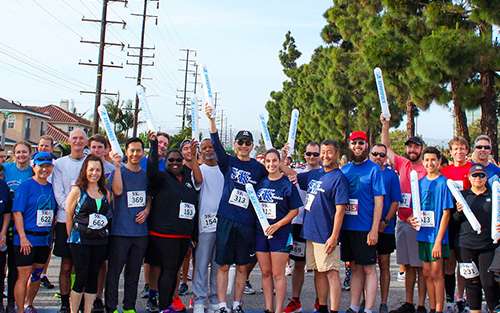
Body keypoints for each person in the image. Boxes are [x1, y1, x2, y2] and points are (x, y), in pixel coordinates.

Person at [204, 105, 267, 313]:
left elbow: (275, 175)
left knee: (242, 267)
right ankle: (222, 305)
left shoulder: (259, 169)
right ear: (235, 144)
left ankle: (237, 303)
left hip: (246, 223)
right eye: (240, 142)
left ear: (252, 146)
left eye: (248, 143)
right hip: (226, 220)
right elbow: (215, 142)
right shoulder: (228, 162)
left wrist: (283, 157)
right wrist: (211, 119)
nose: (243, 145)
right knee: (222, 265)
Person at [146, 132, 200, 312]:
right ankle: (163, 306)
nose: (175, 163)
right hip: (164, 234)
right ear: (166, 162)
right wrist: (153, 146)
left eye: (178, 159)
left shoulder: (188, 177)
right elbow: (152, 169)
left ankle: (169, 302)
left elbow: (193, 206)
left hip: (183, 235)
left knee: (174, 270)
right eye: (171, 160)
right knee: (168, 270)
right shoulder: (161, 178)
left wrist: (194, 235)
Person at [381, 115, 427, 313]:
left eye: (416, 147)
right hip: (403, 222)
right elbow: (386, 148)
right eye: (409, 147)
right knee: (407, 265)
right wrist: (385, 125)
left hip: (421, 224)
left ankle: (421, 305)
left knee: (421, 268)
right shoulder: (402, 164)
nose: (412, 150)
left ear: (421, 149)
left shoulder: (428, 166)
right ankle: (409, 303)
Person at [298, 140, 348, 313]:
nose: (325, 155)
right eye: (323, 152)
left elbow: (340, 210)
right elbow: (292, 175)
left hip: (326, 235)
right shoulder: (315, 174)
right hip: (311, 233)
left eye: (329, 152)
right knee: (319, 271)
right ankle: (322, 306)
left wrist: (334, 236)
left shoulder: (339, 178)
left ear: (336, 154)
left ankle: (333, 310)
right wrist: (282, 159)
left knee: (331, 272)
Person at [341, 131, 385, 313]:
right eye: (354, 143)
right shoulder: (345, 170)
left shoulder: (374, 169)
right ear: (350, 146)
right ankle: (353, 305)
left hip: (365, 228)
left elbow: (379, 202)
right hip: (348, 228)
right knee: (355, 268)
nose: (357, 146)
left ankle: (368, 308)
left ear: (366, 145)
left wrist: (374, 229)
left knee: (368, 268)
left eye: (361, 143)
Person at [105, 138, 150, 313]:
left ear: (143, 152)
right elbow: (116, 192)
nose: (135, 154)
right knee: (114, 272)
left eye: (138, 150)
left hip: (140, 233)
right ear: (126, 151)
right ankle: (111, 307)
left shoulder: (146, 175)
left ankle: (129, 306)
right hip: (120, 231)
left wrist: (146, 210)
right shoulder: (117, 172)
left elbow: (149, 197)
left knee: (133, 273)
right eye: (132, 150)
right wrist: (116, 167)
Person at [256, 149, 301, 313]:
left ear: (280, 162)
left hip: (280, 234)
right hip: (261, 234)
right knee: (266, 273)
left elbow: (295, 210)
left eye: (274, 160)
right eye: (268, 161)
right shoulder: (260, 183)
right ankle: (268, 308)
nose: (271, 164)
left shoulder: (287, 183)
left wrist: (278, 225)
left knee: (278, 274)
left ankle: (278, 309)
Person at [409, 147, 453, 313]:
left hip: (437, 238)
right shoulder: (419, 183)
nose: (429, 163)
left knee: (437, 274)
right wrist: (412, 220)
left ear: (439, 161)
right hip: (423, 236)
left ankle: (439, 309)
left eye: (433, 159)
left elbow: (446, 213)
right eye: (426, 160)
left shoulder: (443, 183)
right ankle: (432, 307)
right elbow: (416, 211)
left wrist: (438, 242)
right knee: (426, 273)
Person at [66, 155, 112, 313]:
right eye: (91, 169)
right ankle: (74, 310)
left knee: (93, 276)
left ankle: (87, 310)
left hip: (99, 241)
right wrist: (70, 238)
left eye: (98, 170)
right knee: (81, 276)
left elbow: (106, 216)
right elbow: (69, 215)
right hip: (80, 240)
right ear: (85, 170)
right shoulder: (77, 190)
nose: (94, 173)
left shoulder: (105, 192)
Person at [12, 152, 57, 313]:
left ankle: (28, 304)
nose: (45, 169)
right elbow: (17, 212)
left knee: (37, 274)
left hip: (43, 241)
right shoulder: (25, 186)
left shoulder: (52, 188)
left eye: (48, 166)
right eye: (41, 166)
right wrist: (23, 237)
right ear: (34, 166)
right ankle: (20, 310)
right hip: (26, 240)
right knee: (23, 276)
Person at [453, 164, 499, 313]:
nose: (478, 178)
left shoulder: (494, 196)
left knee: (489, 283)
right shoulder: (463, 196)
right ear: (469, 178)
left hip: (487, 246)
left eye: (481, 175)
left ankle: (493, 309)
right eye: (475, 175)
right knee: (472, 283)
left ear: (486, 178)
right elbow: (454, 221)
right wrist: (458, 212)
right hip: (465, 246)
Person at [52, 128, 88, 313]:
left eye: (81, 138)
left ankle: (80, 301)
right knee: (66, 266)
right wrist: (72, 212)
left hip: (86, 223)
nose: (77, 141)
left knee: (81, 266)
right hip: (63, 220)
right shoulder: (59, 163)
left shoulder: (90, 162)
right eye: (74, 138)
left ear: (86, 141)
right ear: (68, 140)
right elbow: (58, 193)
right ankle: (65, 302)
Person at [285, 142, 321, 313]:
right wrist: (284, 155)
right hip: (299, 224)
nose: (312, 157)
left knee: (320, 267)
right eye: (309, 154)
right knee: (298, 264)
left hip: (318, 226)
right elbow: (284, 170)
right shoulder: (298, 172)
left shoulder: (325, 174)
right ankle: (296, 301)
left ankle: (320, 302)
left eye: (316, 154)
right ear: (304, 155)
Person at [192, 139, 224, 313]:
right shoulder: (199, 171)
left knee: (218, 265)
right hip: (205, 224)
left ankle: (214, 300)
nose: (208, 150)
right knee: (202, 263)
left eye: (211, 147)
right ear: (200, 152)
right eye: (204, 148)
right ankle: (199, 299)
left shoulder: (225, 169)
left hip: (223, 224)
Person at [440, 137, 471, 313]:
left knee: (464, 263)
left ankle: (461, 298)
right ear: (450, 152)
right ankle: (450, 299)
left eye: (462, 148)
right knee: (450, 262)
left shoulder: (473, 169)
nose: (459, 152)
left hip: (467, 223)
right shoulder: (445, 172)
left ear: (467, 150)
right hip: (450, 221)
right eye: (456, 149)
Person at [369, 144, 401, 313]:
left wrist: (385, 221)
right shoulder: (366, 171)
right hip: (366, 227)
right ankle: (365, 300)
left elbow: (395, 201)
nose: (378, 157)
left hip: (385, 228)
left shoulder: (391, 175)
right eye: (375, 154)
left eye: (382, 155)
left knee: (384, 264)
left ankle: (384, 301)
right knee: (366, 266)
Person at [4, 141, 34, 313]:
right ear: (14, 154)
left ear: (29, 154)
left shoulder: (32, 172)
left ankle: (12, 302)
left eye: (24, 152)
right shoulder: (6, 169)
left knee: (16, 266)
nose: (21, 155)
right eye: (18, 152)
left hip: (22, 225)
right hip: (5, 221)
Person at [88, 134, 115, 312]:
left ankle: (98, 296)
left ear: (106, 149)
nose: (97, 150)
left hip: (107, 220)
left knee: (101, 262)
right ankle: (82, 295)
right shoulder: (86, 168)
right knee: (81, 262)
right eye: (94, 147)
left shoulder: (113, 169)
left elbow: (116, 194)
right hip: (85, 222)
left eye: (100, 147)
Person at [141, 132, 169, 305]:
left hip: (161, 215)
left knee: (158, 257)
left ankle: (156, 290)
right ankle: (148, 286)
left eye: (166, 143)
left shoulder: (170, 164)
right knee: (148, 257)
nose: (162, 145)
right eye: (159, 142)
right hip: (140, 214)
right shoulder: (143, 161)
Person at [35, 135, 56, 290]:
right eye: (41, 146)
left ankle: (43, 274)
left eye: (46, 146)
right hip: (30, 214)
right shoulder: (32, 165)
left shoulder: (56, 166)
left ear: (52, 148)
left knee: (47, 247)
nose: (43, 148)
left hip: (48, 212)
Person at [0, 165, 12, 313]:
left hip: (0, 235)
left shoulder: (3, 186)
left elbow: (7, 212)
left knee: (1, 270)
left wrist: (3, 232)